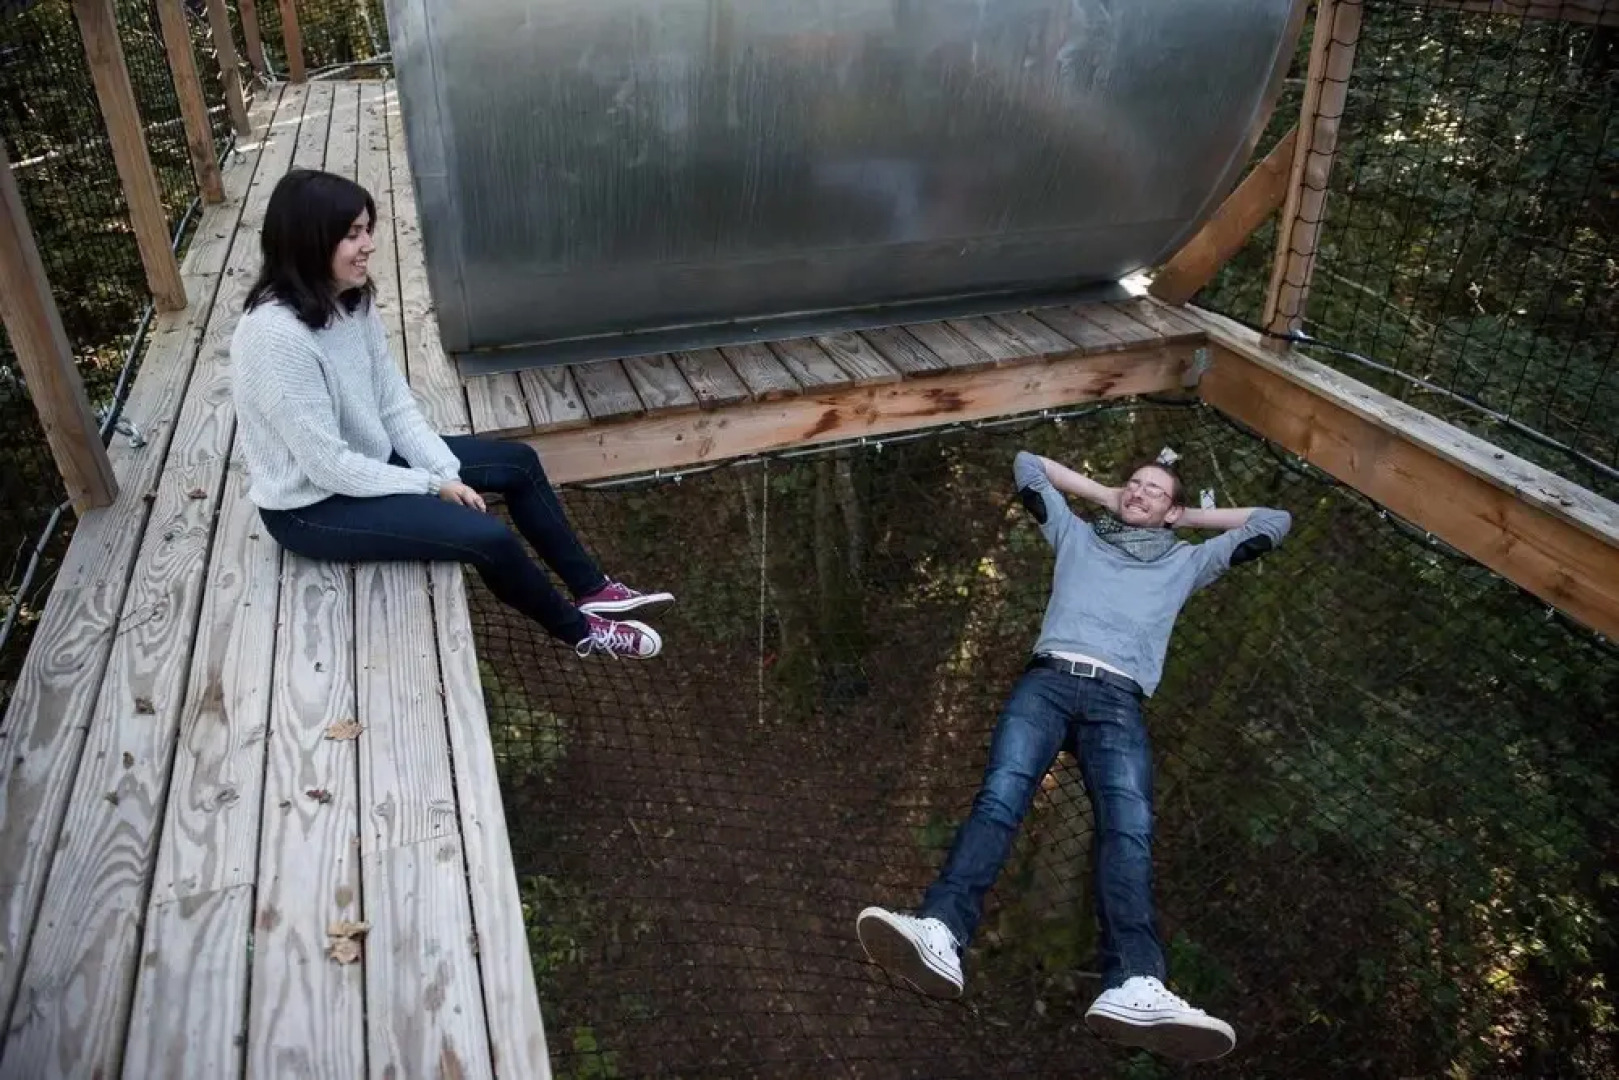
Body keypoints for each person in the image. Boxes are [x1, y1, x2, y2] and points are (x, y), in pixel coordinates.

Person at [856, 447, 1291, 1062]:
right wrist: (1108, 496)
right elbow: (1028, 464)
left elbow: (1274, 521)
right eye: (1134, 483)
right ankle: (942, 930)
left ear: (1173, 508)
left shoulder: (1190, 563)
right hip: (1049, 682)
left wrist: (1184, 520)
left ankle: (1136, 980)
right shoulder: (1077, 535)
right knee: (1001, 795)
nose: (1140, 493)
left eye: (1155, 491)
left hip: (1119, 700)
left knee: (1129, 828)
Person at [230, 169, 670, 659]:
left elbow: (395, 405)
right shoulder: (275, 338)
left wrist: (442, 471)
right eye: (352, 234)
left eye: (367, 229)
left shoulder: (350, 301)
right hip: (313, 507)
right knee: (490, 538)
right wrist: (432, 486)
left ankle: (593, 589)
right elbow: (327, 467)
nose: (369, 244)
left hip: (369, 463)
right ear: (310, 240)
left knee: (518, 462)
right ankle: (581, 632)